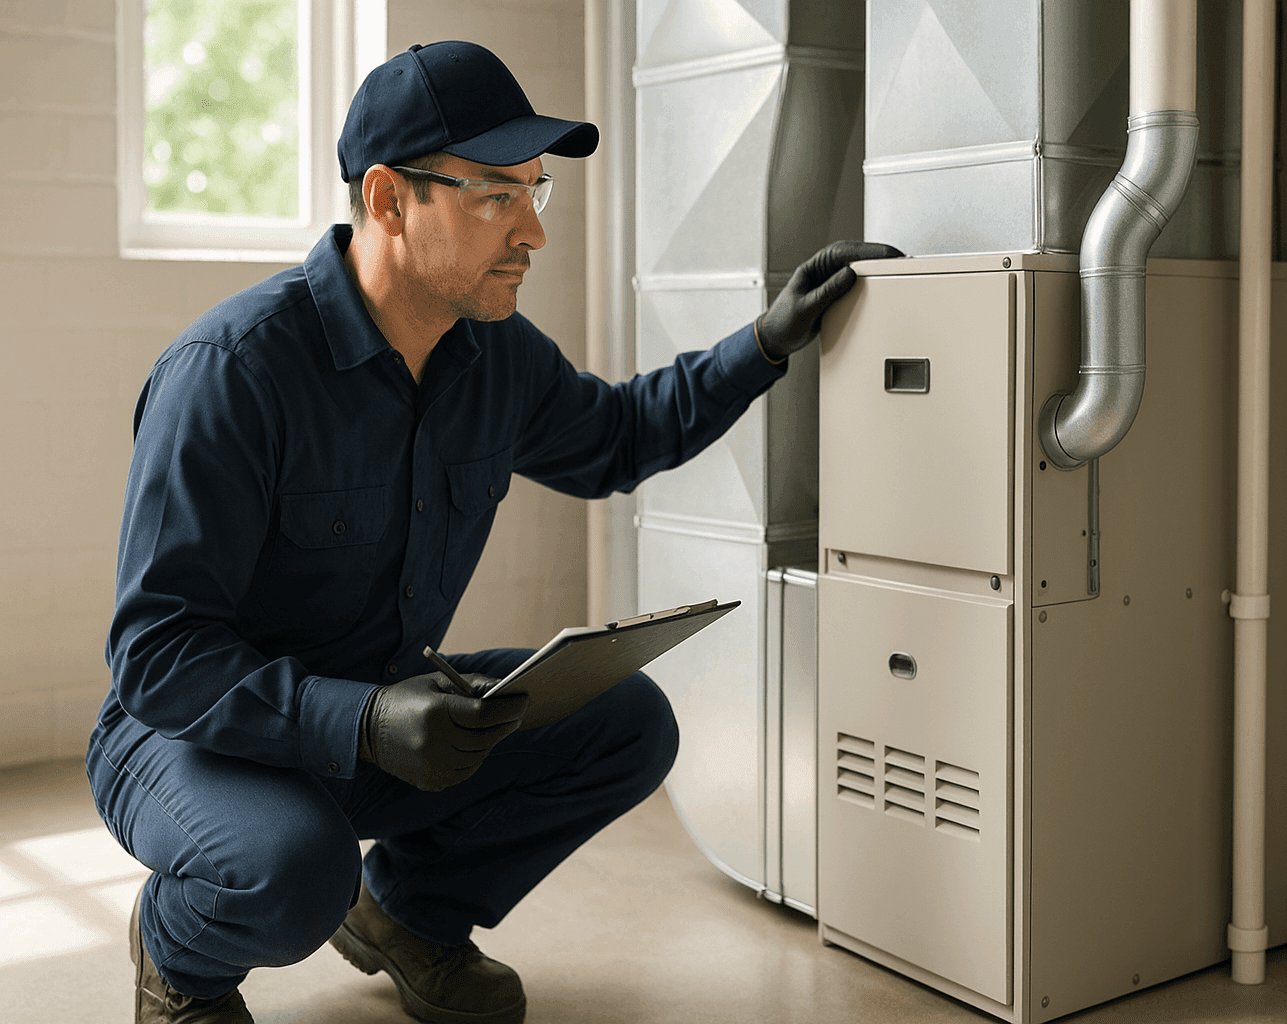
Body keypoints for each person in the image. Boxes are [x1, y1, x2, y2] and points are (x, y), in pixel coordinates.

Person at [86, 38, 900, 1024]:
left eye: (534, 193)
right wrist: (363, 719)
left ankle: (408, 912)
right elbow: (156, 657)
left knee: (624, 720)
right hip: (191, 737)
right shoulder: (233, 374)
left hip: (378, 717)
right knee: (289, 869)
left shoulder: (492, 357)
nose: (532, 233)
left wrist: (767, 341)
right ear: (390, 201)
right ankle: (179, 961)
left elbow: (619, 436)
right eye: (494, 198)